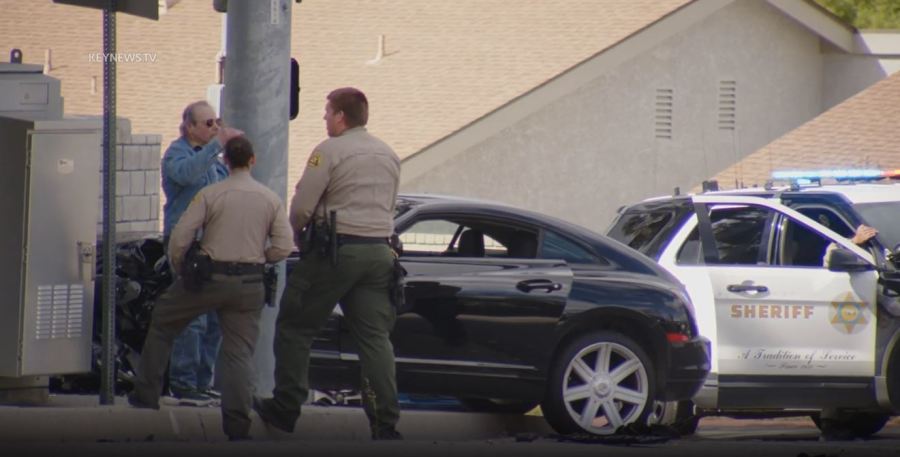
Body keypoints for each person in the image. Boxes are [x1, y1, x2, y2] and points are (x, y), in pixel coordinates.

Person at [253, 87, 403, 440]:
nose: (323, 118)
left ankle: (285, 409)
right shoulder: (389, 154)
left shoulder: (328, 151)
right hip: (380, 253)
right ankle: (385, 425)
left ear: (340, 117)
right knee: (375, 340)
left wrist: (293, 233)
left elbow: (303, 206)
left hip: (335, 253)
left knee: (295, 327)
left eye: (326, 113)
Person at [129, 136, 294, 442]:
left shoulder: (211, 193)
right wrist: (260, 258)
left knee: (164, 322)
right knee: (238, 353)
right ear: (253, 160)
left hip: (208, 278)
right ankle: (237, 426)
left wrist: (180, 267)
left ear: (226, 162)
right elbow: (284, 246)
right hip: (249, 283)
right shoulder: (269, 198)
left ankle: (146, 395)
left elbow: (180, 237)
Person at [161, 101, 240, 404]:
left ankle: (202, 381)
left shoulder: (216, 162)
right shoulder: (178, 154)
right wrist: (215, 148)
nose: (214, 128)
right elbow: (187, 176)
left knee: (213, 320)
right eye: (208, 123)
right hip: (188, 245)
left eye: (216, 121)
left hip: (214, 246)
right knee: (192, 316)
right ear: (190, 126)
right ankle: (184, 382)